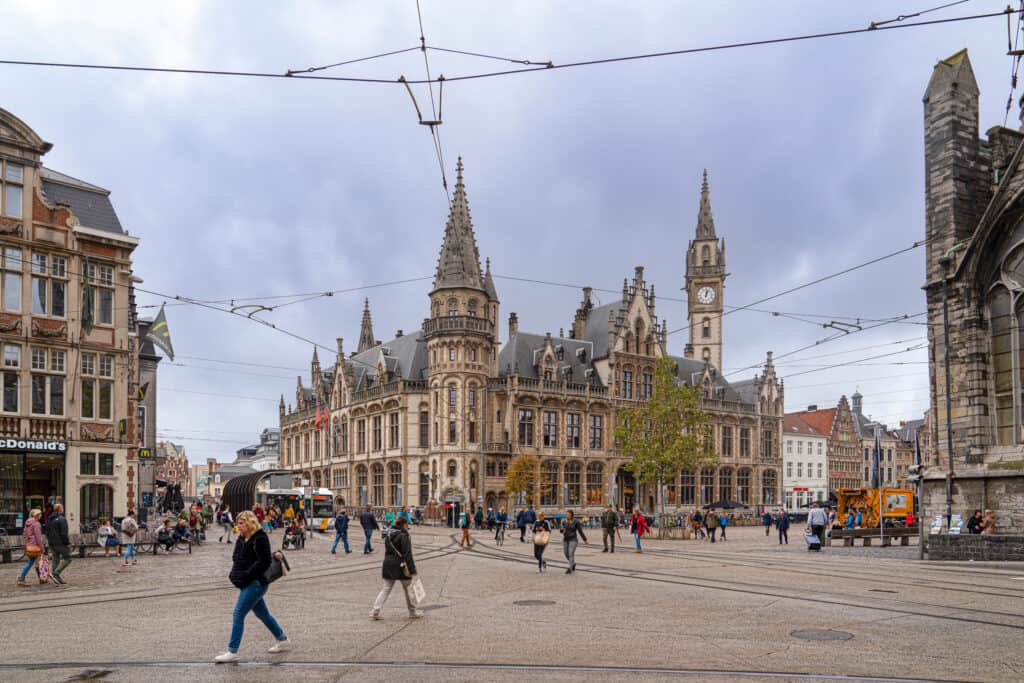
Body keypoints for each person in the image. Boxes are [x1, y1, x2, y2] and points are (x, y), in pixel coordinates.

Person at [214, 510, 290, 663]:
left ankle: (232, 651)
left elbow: (264, 562)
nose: (238, 526)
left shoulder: (260, 537)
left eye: (241, 523)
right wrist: (236, 574)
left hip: (256, 583)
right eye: (238, 523)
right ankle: (282, 640)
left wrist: (246, 575)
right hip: (246, 581)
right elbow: (236, 557)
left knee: (238, 613)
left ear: (249, 523)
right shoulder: (242, 537)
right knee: (263, 614)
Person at [370, 516, 423, 619]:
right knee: (408, 589)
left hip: (388, 563)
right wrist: (412, 570)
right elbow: (407, 554)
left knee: (385, 589)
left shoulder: (388, 534)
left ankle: (375, 611)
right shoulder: (404, 535)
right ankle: (412, 612)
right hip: (401, 565)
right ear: (404, 524)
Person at [17, 508, 45, 587]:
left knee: (32, 562)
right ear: (36, 515)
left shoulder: (27, 523)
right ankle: (22, 578)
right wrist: (42, 548)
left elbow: (24, 535)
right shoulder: (36, 524)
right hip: (36, 546)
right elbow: (38, 537)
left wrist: (27, 543)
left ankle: (40, 578)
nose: (41, 515)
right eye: (40, 514)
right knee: (36, 562)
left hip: (30, 546)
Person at [45, 503, 71, 586]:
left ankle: (55, 577)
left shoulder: (49, 518)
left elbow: (46, 531)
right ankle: (56, 572)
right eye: (62, 507)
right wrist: (67, 543)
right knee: (68, 558)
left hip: (52, 543)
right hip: (60, 543)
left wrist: (49, 541)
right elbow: (64, 533)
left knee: (55, 558)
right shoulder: (62, 519)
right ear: (60, 509)